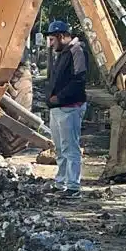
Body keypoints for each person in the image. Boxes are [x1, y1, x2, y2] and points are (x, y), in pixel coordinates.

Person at [44, 20, 88, 193]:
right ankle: (61, 182)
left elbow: (79, 80)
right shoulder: (63, 53)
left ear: (61, 36)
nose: (51, 44)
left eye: (53, 40)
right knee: (60, 149)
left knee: (71, 148)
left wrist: (59, 97)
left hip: (70, 107)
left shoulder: (77, 51)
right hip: (58, 108)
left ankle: (73, 186)